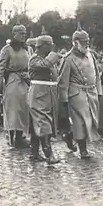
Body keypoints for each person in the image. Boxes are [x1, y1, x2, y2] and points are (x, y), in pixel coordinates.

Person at [58, 23, 102, 159]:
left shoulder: (91, 56)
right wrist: (64, 100)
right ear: (75, 43)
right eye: (83, 42)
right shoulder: (68, 59)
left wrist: (99, 92)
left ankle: (68, 135)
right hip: (76, 94)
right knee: (80, 122)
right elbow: (62, 82)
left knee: (91, 121)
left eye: (87, 42)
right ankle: (83, 149)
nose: (86, 45)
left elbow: (97, 75)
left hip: (91, 92)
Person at [0, 22, 32, 148]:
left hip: (26, 81)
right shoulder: (7, 49)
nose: (23, 35)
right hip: (13, 81)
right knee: (13, 109)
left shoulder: (28, 49)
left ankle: (20, 136)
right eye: (21, 33)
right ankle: (11, 136)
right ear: (14, 34)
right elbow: (0, 67)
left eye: (24, 33)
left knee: (24, 109)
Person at [27, 34, 62, 164]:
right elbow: (45, 65)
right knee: (43, 123)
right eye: (50, 45)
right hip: (39, 94)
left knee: (38, 123)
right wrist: (54, 54)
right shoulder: (34, 59)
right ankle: (49, 155)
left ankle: (34, 152)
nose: (52, 47)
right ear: (43, 46)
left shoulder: (44, 58)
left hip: (47, 93)